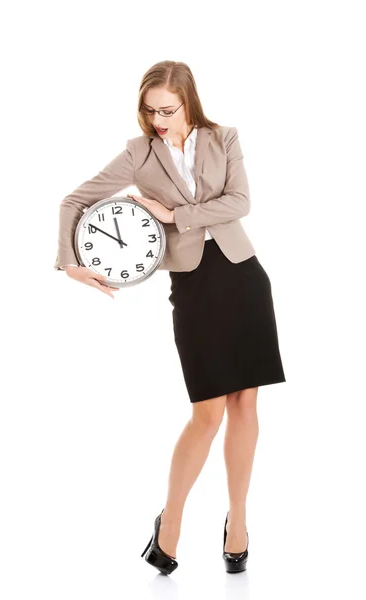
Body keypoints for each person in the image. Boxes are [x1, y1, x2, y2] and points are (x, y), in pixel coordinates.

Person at [54, 60, 286, 575]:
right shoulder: (139, 154)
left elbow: (240, 203)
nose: (158, 119)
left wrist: (174, 215)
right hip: (194, 287)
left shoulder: (223, 137)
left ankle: (239, 521)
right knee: (208, 412)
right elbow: (76, 199)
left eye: (167, 109)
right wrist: (71, 262)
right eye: (149, 109)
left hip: (245, 277)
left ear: (188, 101)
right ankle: (172, 521)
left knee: (246, 404)